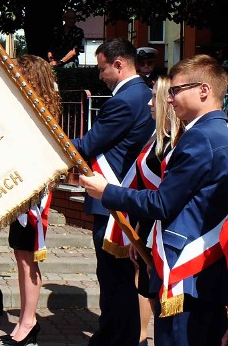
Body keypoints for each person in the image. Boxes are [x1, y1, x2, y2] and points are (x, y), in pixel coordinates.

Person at [81, 54, 228, 345]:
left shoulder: (200, 137)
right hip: (210, 265)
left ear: (204, 90)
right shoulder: (219, 131)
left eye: (175, 91)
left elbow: (163, 203)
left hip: (187, 266)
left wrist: (106, 191)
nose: (168, 99)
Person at [70, 38, 155, 346]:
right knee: (120, 279)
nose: (100, 75)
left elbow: (87, 145)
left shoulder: (124, 100)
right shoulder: (143, 93)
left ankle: (115, 339)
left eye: (102, 68)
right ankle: (123, 336)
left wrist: (50, 140)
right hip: (126, 197)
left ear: (119, 65)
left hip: (113, 200)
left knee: (114, 279)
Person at [0, 55, 61, 346]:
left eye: (19, 72)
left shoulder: (41, 113)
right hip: (20, 192)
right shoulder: (25, 107)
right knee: (21, 256)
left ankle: (29, 321)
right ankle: (26, 319)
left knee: (27, 258)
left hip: (32, 196)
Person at [128, 76, 185, 346]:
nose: (150, 103)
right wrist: (137, 232)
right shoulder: (155, 137)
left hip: (166, 230)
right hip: (149, 225)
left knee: (159, 288)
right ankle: (141, 337)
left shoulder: (177, 143)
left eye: (154, 97)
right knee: (146, 283)